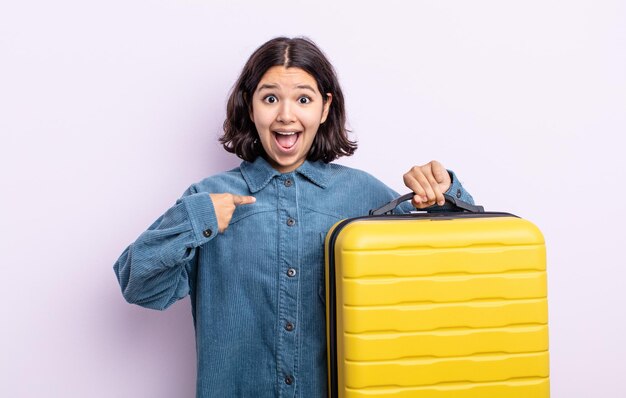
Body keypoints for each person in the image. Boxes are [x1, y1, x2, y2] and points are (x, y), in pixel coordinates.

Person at [114, 37, 474, 398]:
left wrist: (443, 195)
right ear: (250, 106)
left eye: (303, 99)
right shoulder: (207, 199)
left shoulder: (367, 197)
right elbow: (139, 286)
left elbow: (457, 274)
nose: (286, 115)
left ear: (324, 107)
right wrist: (197, 219)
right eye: (270, 98)